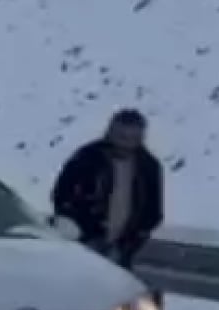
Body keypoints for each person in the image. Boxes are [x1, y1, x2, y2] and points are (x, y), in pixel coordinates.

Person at [51, 109, 163, 268]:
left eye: (134, 138)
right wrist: (79, 229)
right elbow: (61, 194)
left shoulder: (149, 167)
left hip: (122, 246)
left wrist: (135, 238)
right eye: (122, 136)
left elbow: (153, 210)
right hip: (84, 241)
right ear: (111, 132)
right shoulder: (87, 157)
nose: (126, 143)